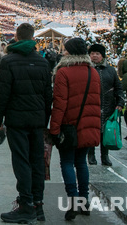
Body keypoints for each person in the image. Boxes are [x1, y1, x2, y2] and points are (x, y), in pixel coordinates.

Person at [0, 22, 53, 224]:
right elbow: (48, 95)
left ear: (17, 37)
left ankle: (25, 205)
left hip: (17, 120)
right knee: (36, 161)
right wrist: (45, 120)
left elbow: (2, 94)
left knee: (21, 162)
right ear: (33, 37)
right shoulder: (43, 62)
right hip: (36, 120)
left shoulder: (8, 61)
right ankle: (38, 205)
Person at [49, 37, 101, 221]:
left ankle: (72, 201)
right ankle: (84, 201)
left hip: (69, 127)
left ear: (70, 52)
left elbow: (60, 105)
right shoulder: (92, 72)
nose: (63, 52)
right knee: (81, 163)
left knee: (67, 163)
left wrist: (54, 129)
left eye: (65, 49)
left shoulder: (63, 72)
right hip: (88, 126)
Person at [87, 43, 125, 166]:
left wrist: (120, 102)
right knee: (92, 131)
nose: (94, 56)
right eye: (92, 53)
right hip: (91, 106)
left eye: (97, 54)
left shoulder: (110, 70)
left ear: (102, 56)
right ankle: (91, 155)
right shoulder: (87, 69)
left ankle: (105, 156)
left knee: (105, 132)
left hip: (108, 106)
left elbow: (118, 87)